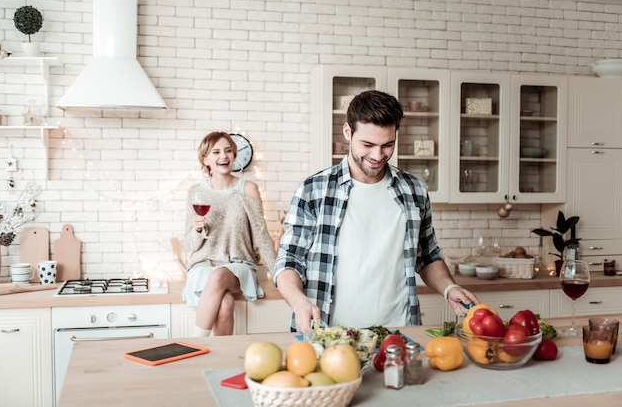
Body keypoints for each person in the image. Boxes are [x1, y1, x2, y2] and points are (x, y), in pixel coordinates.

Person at [273, 90, 479, 333]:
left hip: (399, 333)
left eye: (387, 145)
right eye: (367, 144)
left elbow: (428, 255)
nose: (377, 155)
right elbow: (289, 260)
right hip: (329, 333)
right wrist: (299, 302)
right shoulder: (313, 190)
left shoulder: (414, 191)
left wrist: (448, 288)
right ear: (348, 132)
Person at [182, 131, 276, 337]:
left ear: (234, 156)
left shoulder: (248, 189)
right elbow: (189, 245)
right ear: (205, 159)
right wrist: (197, 229)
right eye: (216, 152)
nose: (223, 156)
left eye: (228, 151)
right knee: (225, 305)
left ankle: (195, 344)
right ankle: (219, 361)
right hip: (203, 265)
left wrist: (279, 274)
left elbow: (261, 235)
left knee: (219, 276)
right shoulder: (196, 192)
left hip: (237, 265)